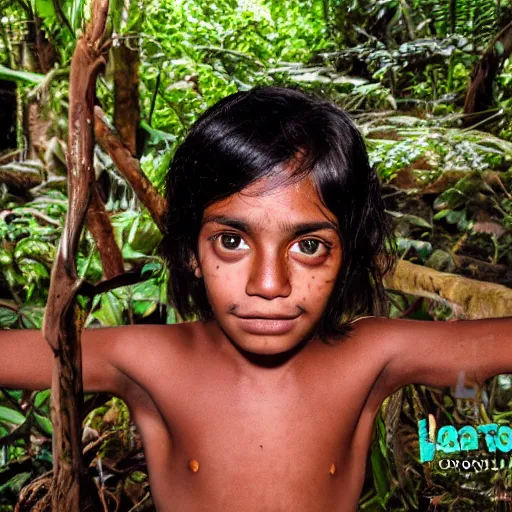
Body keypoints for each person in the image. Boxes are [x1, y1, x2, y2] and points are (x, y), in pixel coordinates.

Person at [1, 86, 511, 511]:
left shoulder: (371, 358)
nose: (269, 284)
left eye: (309, 246)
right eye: (232, 241)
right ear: (191, 253)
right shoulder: (149, 360)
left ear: (348, 257)